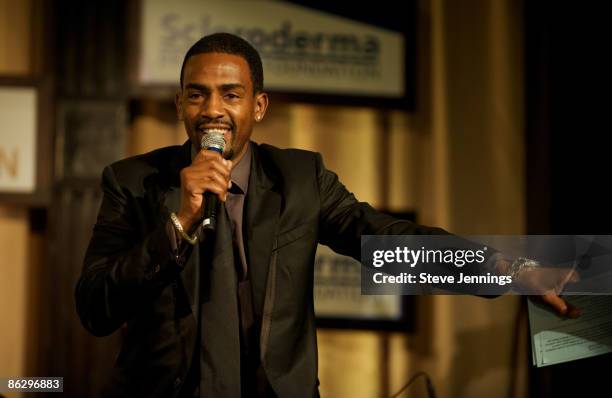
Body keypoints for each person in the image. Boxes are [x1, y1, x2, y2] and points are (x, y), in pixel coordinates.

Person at [75, 33, 578, 398]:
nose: (213, 108)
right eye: (196, 93)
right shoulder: (132, 181)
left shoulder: (299, 178)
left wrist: (512, 270)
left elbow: (386, 241)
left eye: (230, 94)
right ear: (180, 104)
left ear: (259, 105)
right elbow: (95, 308)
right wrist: (179, 223)